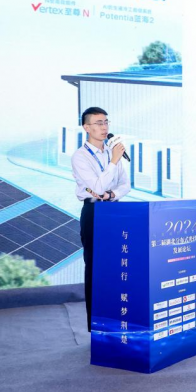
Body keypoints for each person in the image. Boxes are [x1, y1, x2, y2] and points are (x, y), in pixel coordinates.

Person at [71, 107, 130, 332]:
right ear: (86, 127)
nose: (104, 127)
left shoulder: (111, 152)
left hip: (115, 210)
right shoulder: (80, 156)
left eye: (106, 122)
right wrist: (113, 161)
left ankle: (118, 319)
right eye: (98, 123)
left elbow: (125, 184)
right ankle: (97, 326)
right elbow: (96, 187)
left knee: (118, 265)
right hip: (94, 212)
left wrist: (112, 194)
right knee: (96, 268)